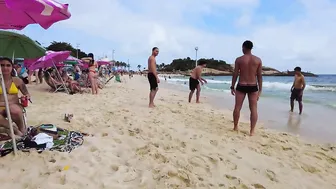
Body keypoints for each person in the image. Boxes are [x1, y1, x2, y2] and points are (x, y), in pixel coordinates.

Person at [230, 40, 262, 136]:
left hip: (241, 85)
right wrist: (260, 90)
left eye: (242, 47)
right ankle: (252, 131)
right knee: (253, 109)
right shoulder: (258, 60)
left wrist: (232, 86)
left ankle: (235, 127)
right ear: (251, 48)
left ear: (243, 47)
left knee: (237, 107)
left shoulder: (239, 60)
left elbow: (235, 74)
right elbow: (259, 76)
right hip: (253, 86)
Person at [0, 57, 31, 136]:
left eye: (8, 65)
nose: (5, 68)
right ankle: (14, 129)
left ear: (12, 67)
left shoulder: (17, 80)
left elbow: (26, 93)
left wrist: (26, 97)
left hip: (15, 106)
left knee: (13, 109)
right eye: (2, 65)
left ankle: (22, 129)